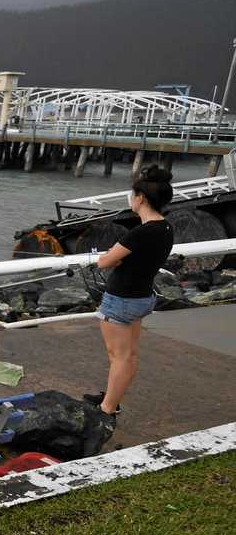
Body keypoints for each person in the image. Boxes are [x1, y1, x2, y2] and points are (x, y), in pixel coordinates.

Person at [87, 165, 175, 420]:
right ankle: (110, 400)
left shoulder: (140, 233)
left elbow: (104, 262)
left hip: (121, 299)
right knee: (129, 355)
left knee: (119, 357)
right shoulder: (166, 228)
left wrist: (111, 254)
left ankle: (107, 410)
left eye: (132, 194)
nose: (130, 198)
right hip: (143, 296)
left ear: (141, 198)